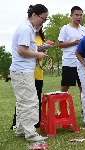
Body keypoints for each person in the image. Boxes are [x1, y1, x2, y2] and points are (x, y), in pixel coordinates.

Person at [10, 4, 48, 142]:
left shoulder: (28, 28)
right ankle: (30, 133)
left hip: (21, 70)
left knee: (22, 101)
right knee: (30, 102)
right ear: (34, 15)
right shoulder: (26, 28)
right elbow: (22, 50)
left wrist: (39, 50)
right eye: (43, 19)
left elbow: (27, 47)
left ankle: (20, 130)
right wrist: (38, 54)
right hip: (22, 71)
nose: (43, 22)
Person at [58, 6, 85, 117]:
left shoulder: (83, 29)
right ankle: (62, 110)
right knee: (65, 87)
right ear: (71, 16)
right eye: (76, 15)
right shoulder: (65, 28)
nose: (79, 17)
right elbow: (60, 44)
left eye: (81, 15)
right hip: (69, 62)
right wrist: (74, 42)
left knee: (83, 87)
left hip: (81, 62)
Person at [10, 27, 46, 130]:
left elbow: (39, 53)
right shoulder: (25, 32)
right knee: (24, 100)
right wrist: (36, 52)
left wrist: (42, 53)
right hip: (25, 71)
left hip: (37, 72)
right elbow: (22, 51)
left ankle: (35, 123)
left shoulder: (41, 38)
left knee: (36, 99)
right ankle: (17, 124)